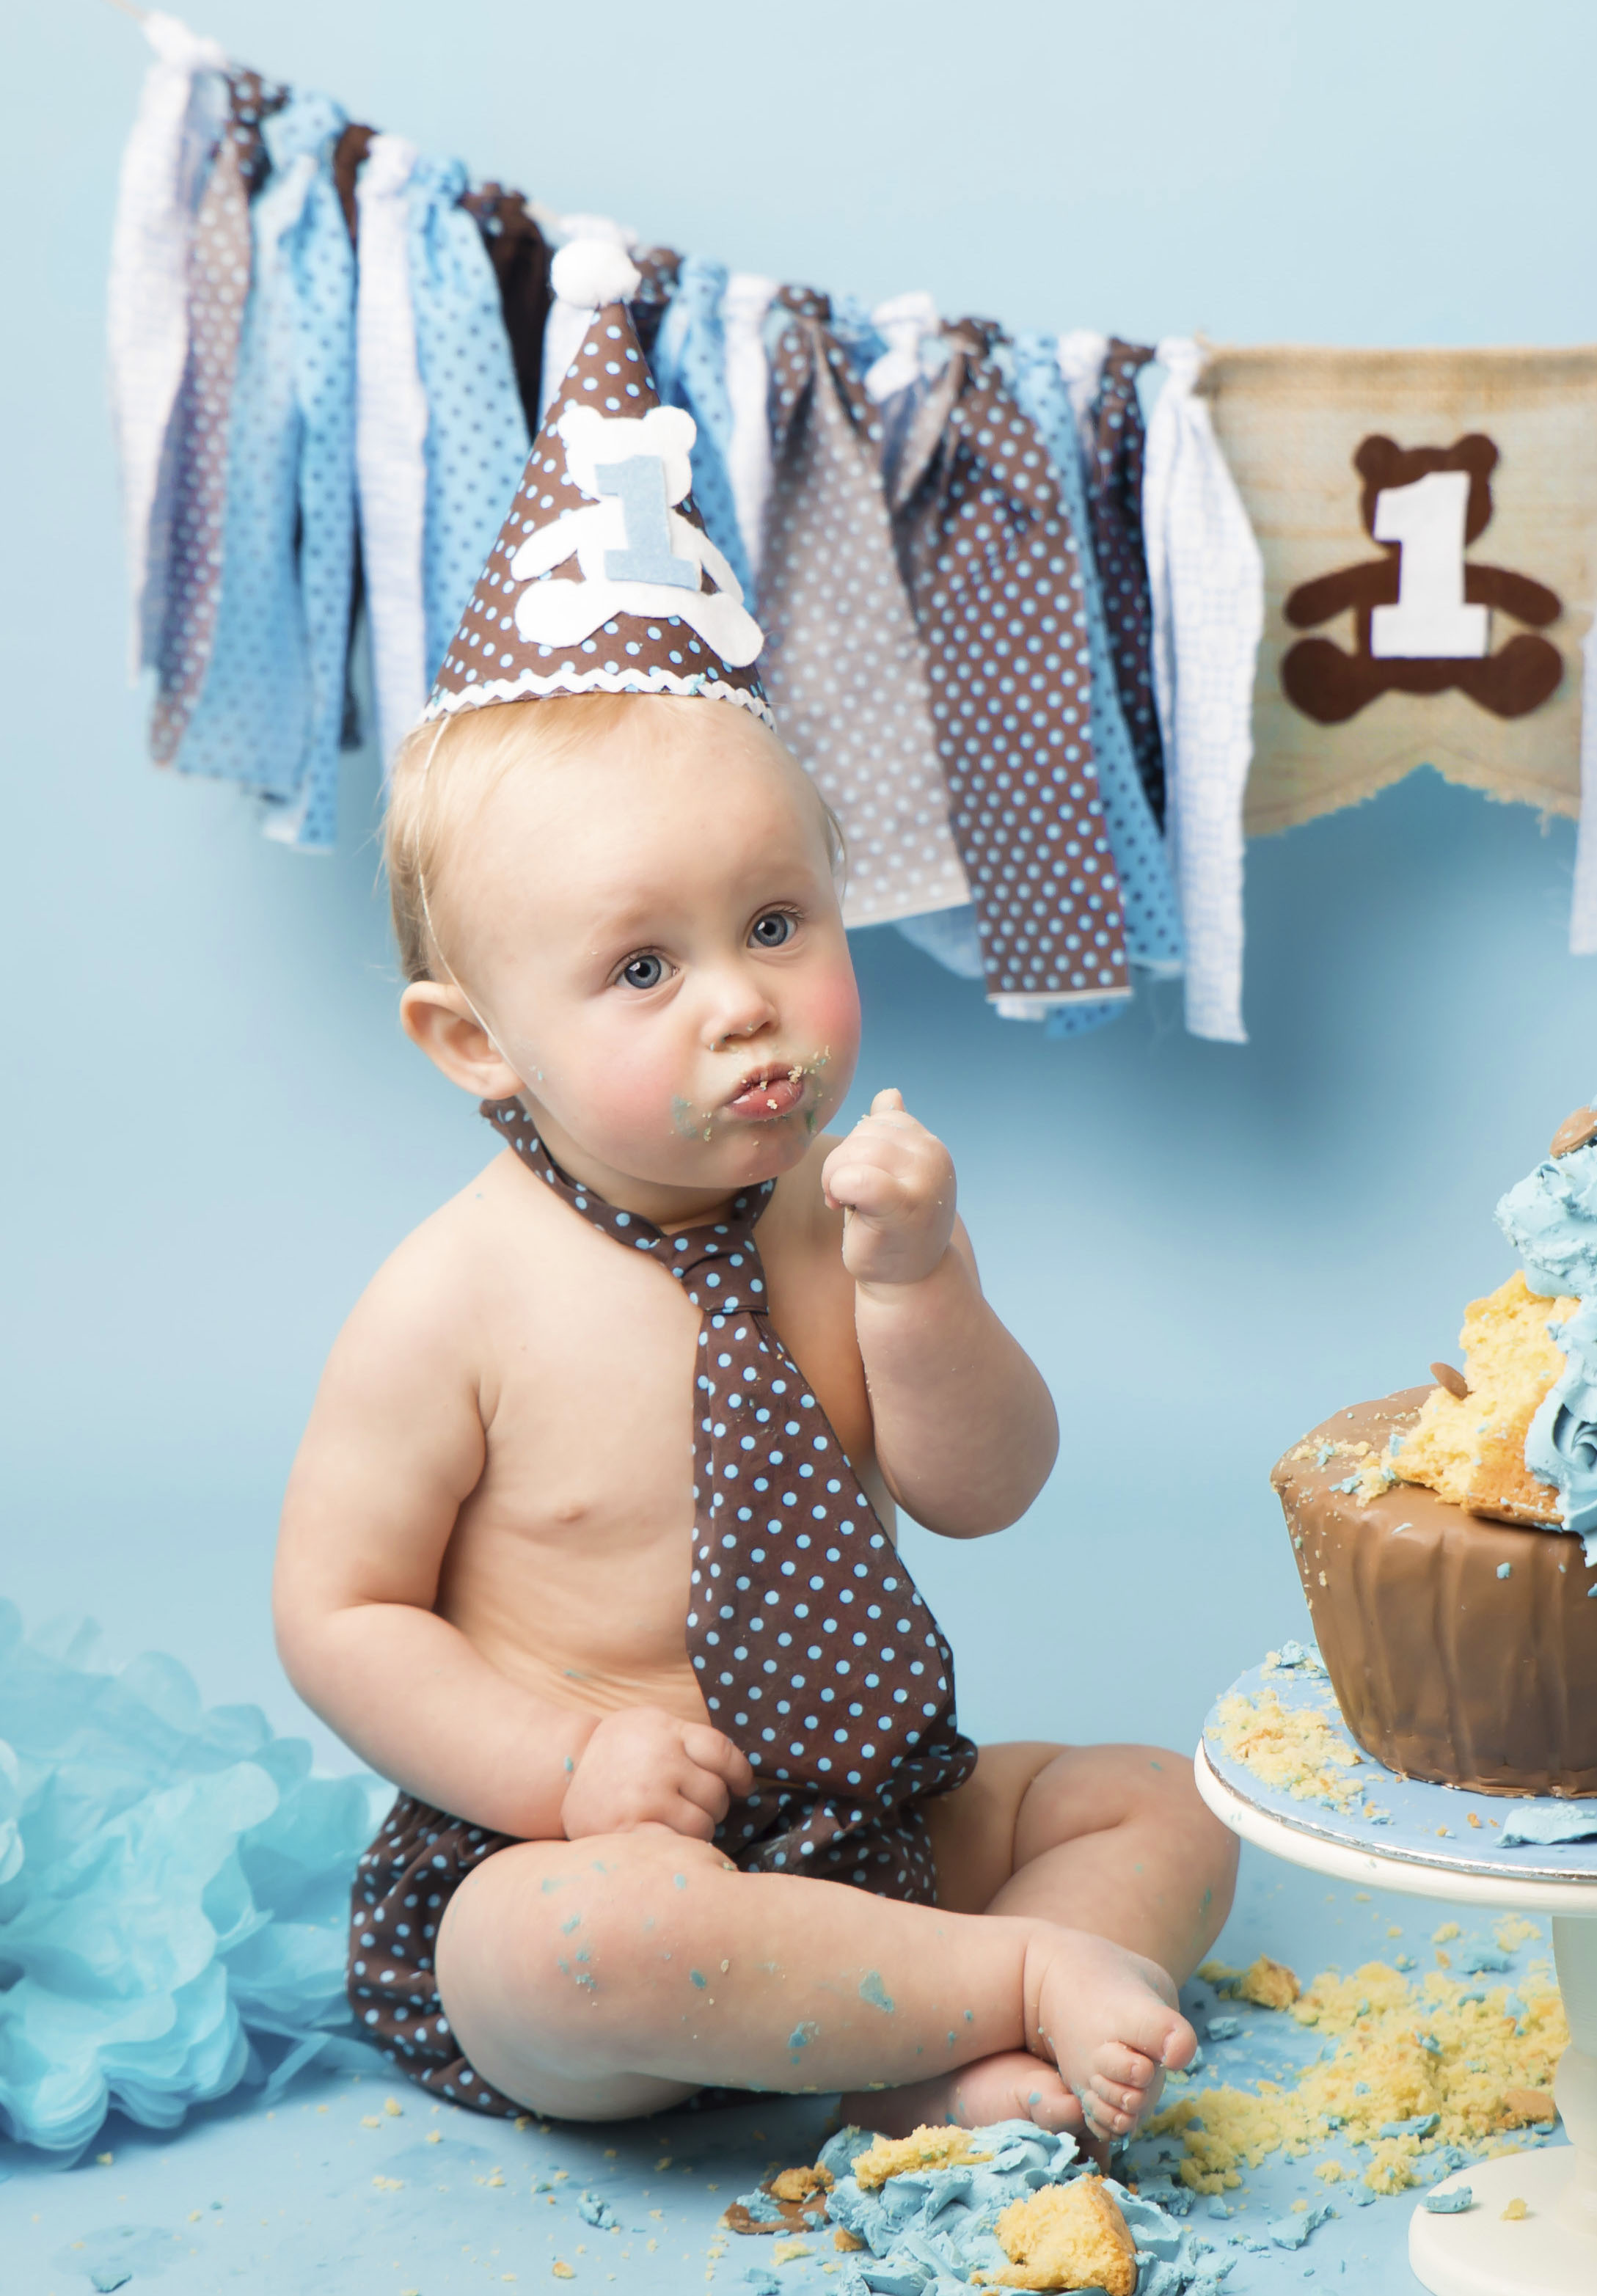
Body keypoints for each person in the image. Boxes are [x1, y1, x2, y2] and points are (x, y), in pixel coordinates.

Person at [270, 244, 1231, 2139]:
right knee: (549, 1948)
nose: (744, 1006)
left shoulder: (839, 1217)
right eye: (643, 970)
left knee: (1168, 1800)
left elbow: (984, 1487)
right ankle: (1005, 1988)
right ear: (474, 1041)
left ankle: (937, 2054)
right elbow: (341, 1611)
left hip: (875, 1801)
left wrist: (927, 1280)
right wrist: (566, 1763)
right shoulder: (451, 1300)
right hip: (609, 1850)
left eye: (778, 922)